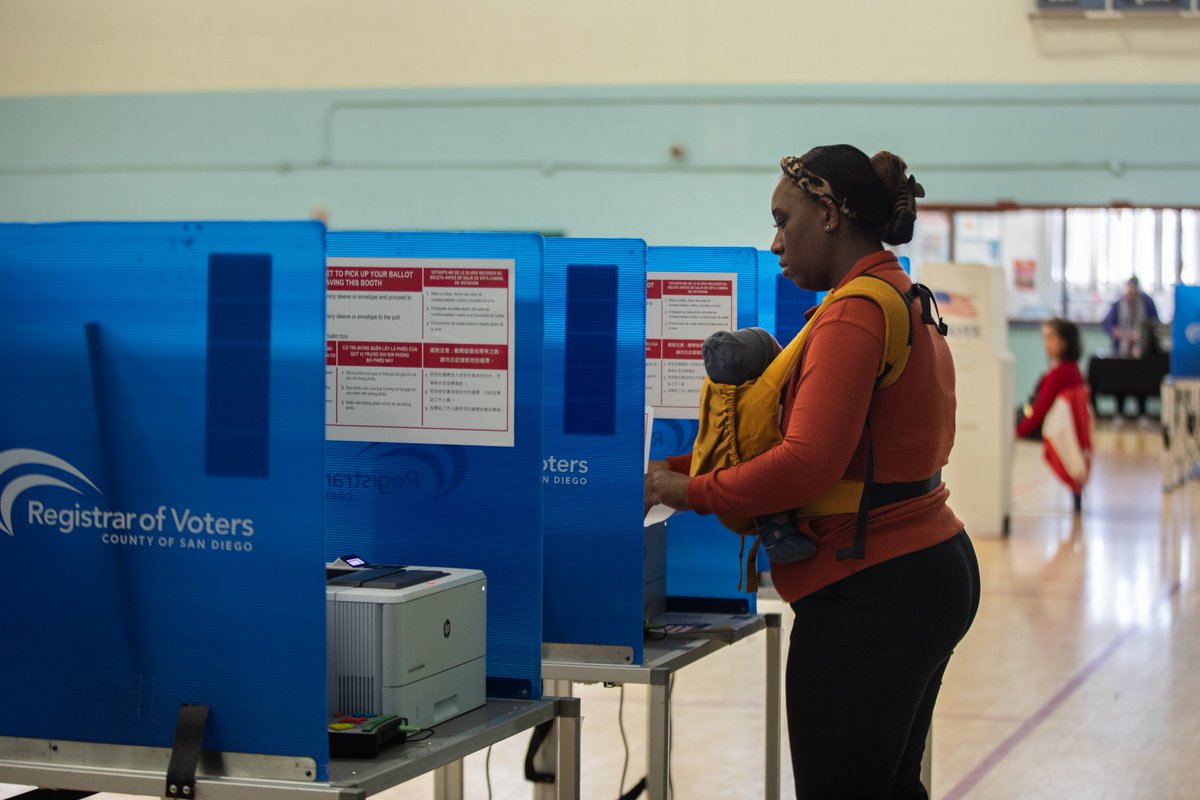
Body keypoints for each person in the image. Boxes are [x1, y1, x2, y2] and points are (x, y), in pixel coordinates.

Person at [645, 144, 980, 799]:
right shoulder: (895, 295)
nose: (774, 243)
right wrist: (676, 468)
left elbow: (806, 463)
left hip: (874, 592)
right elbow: (817, 443)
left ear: (828, 213)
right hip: (920, 569)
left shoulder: (856, 312)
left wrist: (692, 491)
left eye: (782, 220)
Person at [701, 326, 816, 563]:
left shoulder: (723, 396)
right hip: (762, 481)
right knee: (773, 509)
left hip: (734, 476)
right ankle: (777, 537)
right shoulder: (760, 401)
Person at [1100, 276, 1159, 420]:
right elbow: (1106, 323)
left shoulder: (1147, 302)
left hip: (1141, 350)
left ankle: (1142, 414)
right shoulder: (1118, 304)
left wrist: (1141, 334)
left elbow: (1155, 323)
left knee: (1141, 382)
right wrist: (1116, 331)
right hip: (1122, 350)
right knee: (1120, 381)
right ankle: (1119, 412)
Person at [1016, 318, 1085, 441]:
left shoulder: (1061, 373)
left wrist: (1018, 432)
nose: (1046, 343)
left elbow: (1040, 410)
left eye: (1050, 338)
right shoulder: (1072, 369)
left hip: (1046, 432)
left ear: (1065, 341)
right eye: (1045, 338)